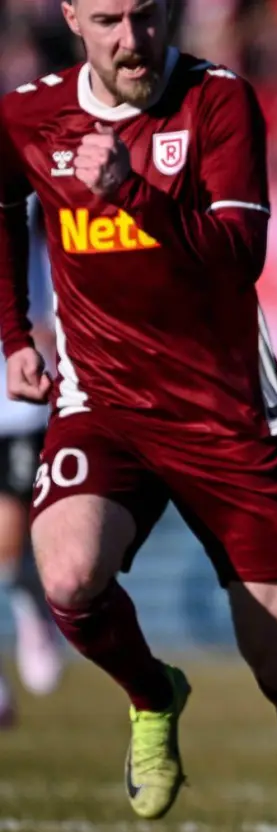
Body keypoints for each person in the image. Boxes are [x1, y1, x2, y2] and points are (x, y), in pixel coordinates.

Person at [0, 1, 277, 832]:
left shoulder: (218, 103)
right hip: (104, 400)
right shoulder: (28, 114)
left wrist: (133, 191)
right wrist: (15, 331)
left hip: (225, 409)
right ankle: (152, 693)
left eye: (146, 14)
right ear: (71, 18)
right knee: (65, 575)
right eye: (108, 19)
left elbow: (240, 250)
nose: (132, 38)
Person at [0, 197, 64, 730]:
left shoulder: (27, 236)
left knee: (8, 538)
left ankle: (28, 610)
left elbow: (46, 324)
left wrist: (44, 338)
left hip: (14, 410)